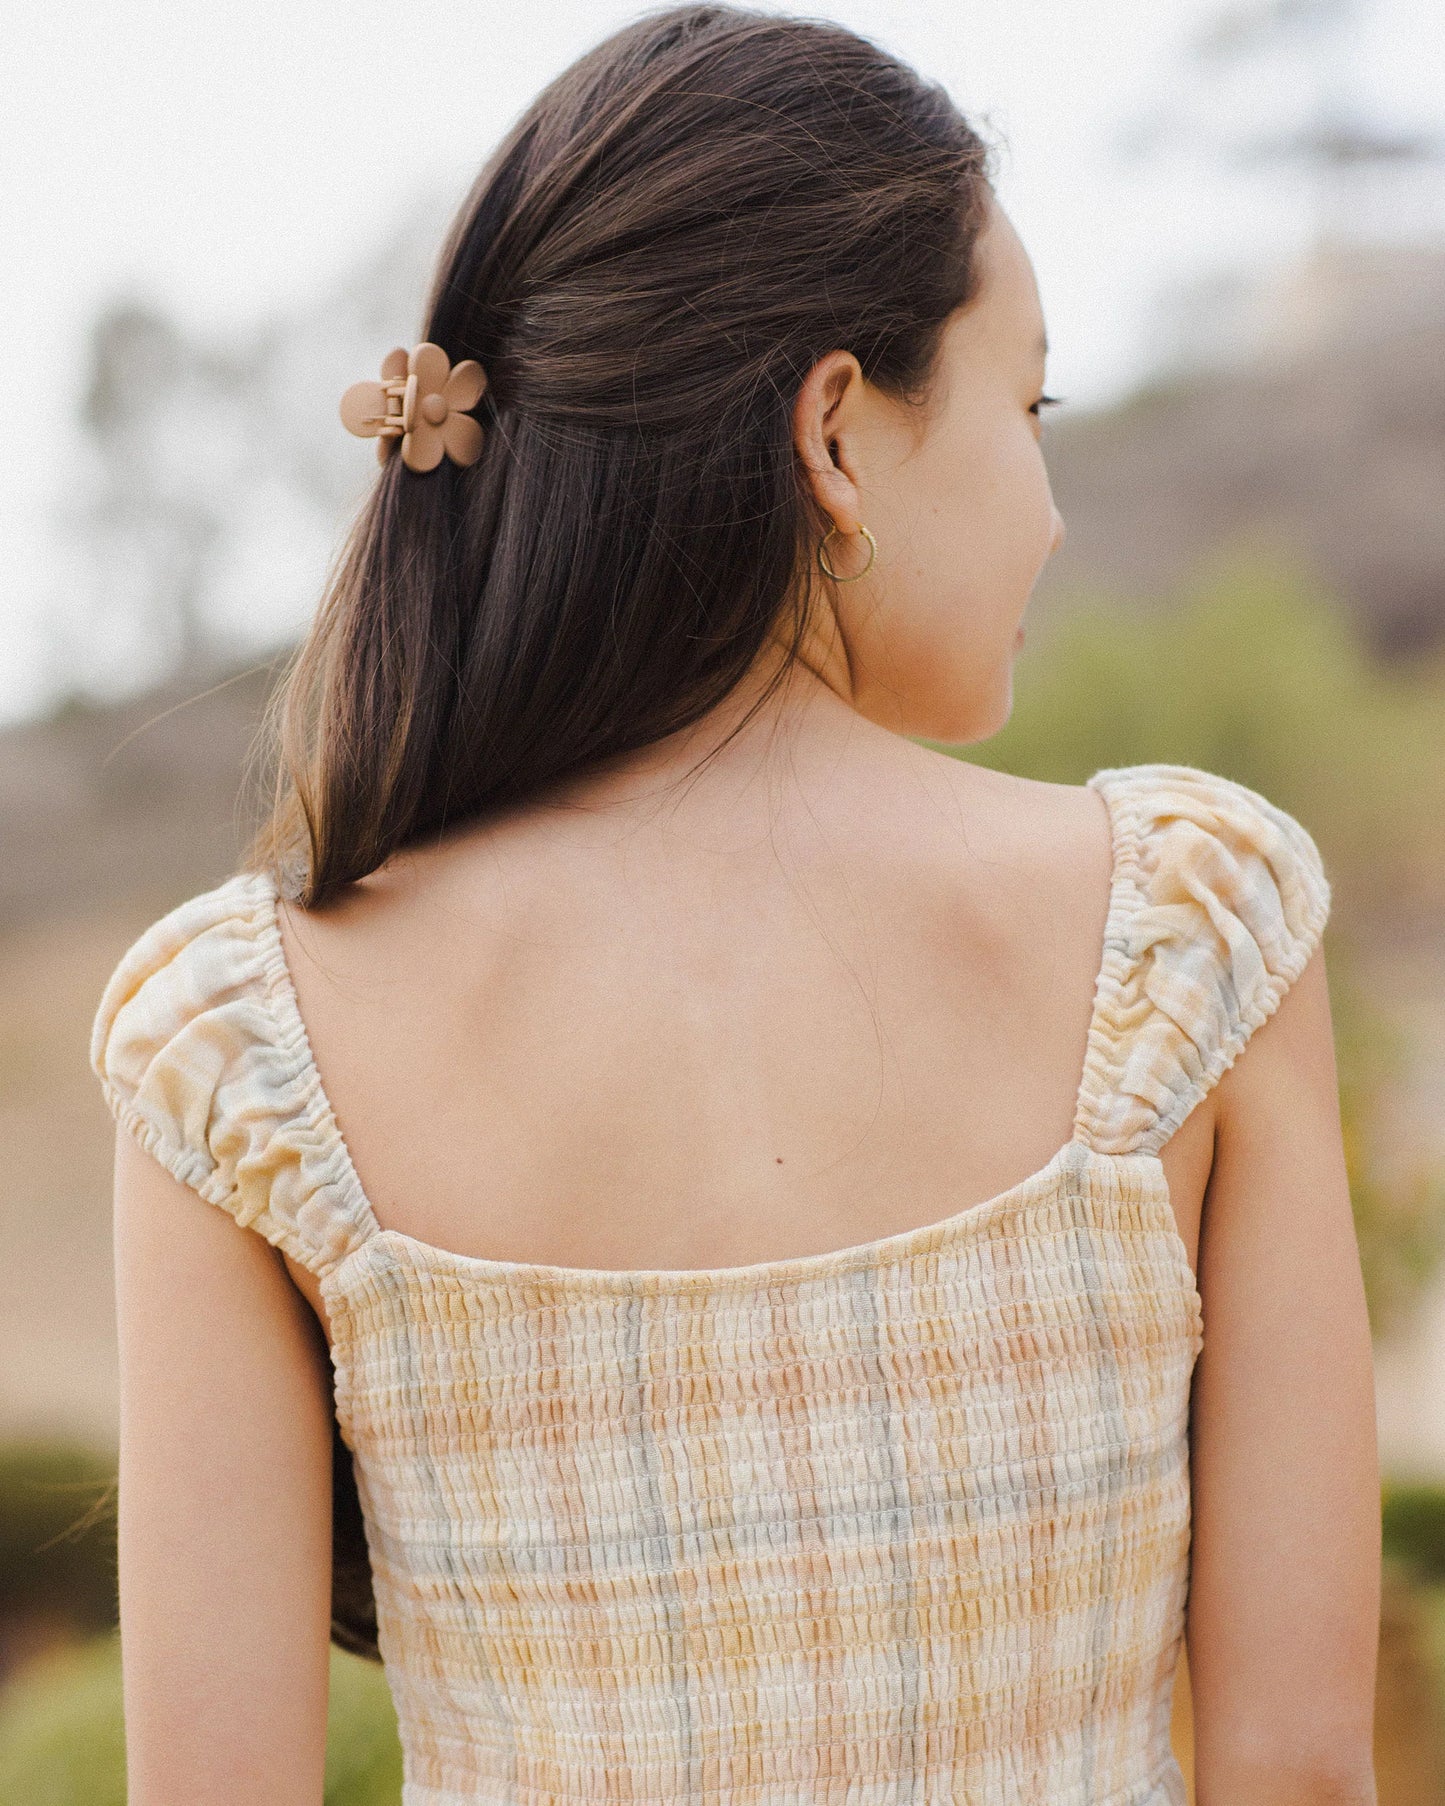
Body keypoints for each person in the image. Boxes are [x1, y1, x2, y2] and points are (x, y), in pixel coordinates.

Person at [90, 6, 1380, 1802]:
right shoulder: (1187, 936)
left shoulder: (240, 1047)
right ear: (835, 433)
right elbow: (1299, 1765)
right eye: (1026, 406)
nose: (1056, 512)